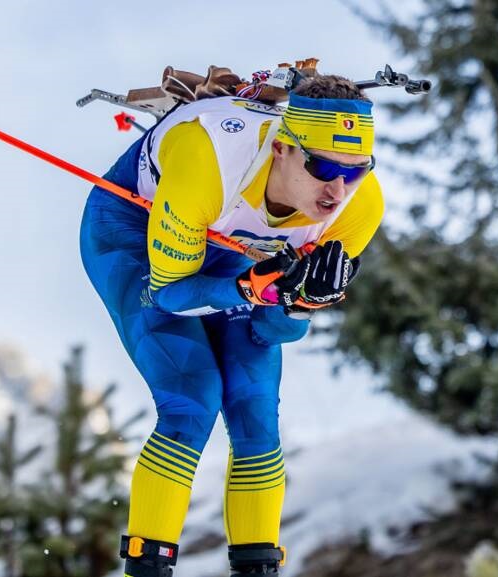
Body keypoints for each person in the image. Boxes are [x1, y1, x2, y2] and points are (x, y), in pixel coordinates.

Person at [79, 73, 383, 577]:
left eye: (356, 170)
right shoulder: (206, 160)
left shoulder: (359, 205)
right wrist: (251, 289)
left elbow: (272, 332)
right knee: (192, 398)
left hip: (234, 249)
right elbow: (170, 294)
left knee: (255, 410)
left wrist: (299, 304)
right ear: (283, 148)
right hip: (134, 234)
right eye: (325, 166)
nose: (338, 189)